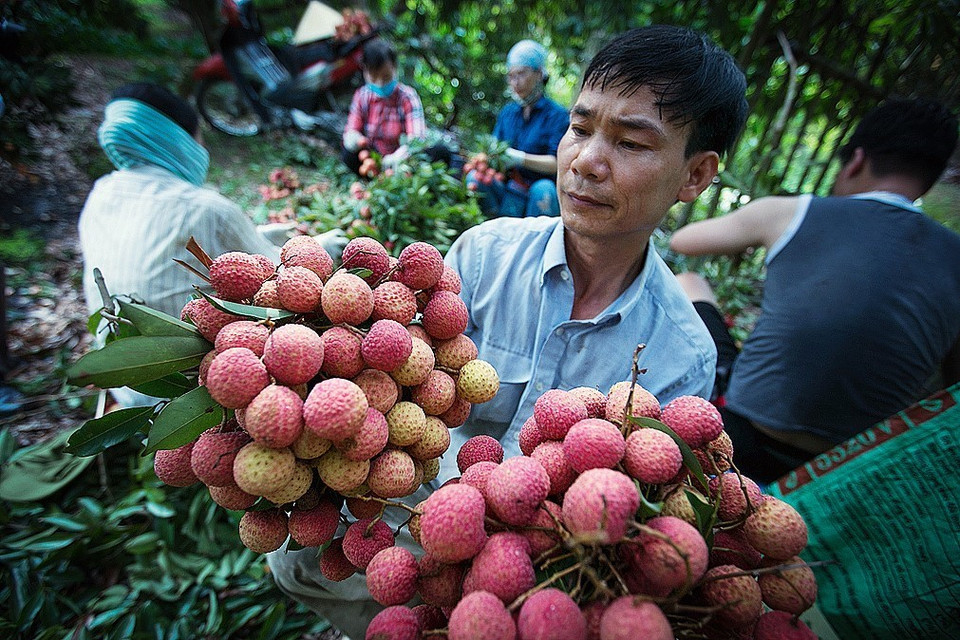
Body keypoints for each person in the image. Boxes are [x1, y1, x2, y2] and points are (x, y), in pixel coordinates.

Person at [267, 25, 748, 639]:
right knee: (294, 559)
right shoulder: (480, 257)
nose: (586, 162)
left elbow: (625, 518)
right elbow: (395, 389)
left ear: (695, 176)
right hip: (405, 513)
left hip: (537, 573)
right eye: (579, 129)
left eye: (629, 142)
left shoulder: (682, 355)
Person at [669, 97, 960, 484]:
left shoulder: (795, 212)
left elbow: (684, 241)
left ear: (855, 160)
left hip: (739, 432)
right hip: (844, 468)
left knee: (688, 281)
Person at [78, 82, 342, 404]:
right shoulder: (205, 208)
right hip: (188, 387)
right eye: (200, 137)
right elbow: (283, 280)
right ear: (178, 140)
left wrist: (259, 233)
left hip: (122, 378)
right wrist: (323, 247)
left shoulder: (101, 192)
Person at [467, 39, 569, 217]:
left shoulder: (557, 115)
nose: (515, 82)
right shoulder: (508, 114)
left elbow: (557, 163)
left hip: (539, 191)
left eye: (521, 74)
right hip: (509, 187)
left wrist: (520, 159)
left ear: (539, 74)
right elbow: (493, 150)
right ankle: (491, 227)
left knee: (543, 189)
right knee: (475, 178)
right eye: (511, 76)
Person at [341, 39, 439, 175]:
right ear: (365, 71)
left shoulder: (407, 97)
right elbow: (352, 129)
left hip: (403, 160)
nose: (380, 83)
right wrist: (354, 139)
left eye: (386, 77)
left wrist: (399, 156)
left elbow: (416, 139)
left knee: (438, 151)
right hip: (374, 159)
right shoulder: (362, 96)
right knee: (348, 154)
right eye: (374, 77)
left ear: (395, 68)